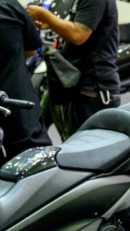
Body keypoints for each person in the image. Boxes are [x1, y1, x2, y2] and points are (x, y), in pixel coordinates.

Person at [27, 0, 120, 139]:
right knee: (35, 131)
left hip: (92, 90)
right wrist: (52, 23)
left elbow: (78, 34)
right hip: (72, 84)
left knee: (85, 148)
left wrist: (45, 16)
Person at [0, 0, 50, 164]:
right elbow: (30, 49)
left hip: (16, 105)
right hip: (18, 107)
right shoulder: (9, 6)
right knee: (34, 167)